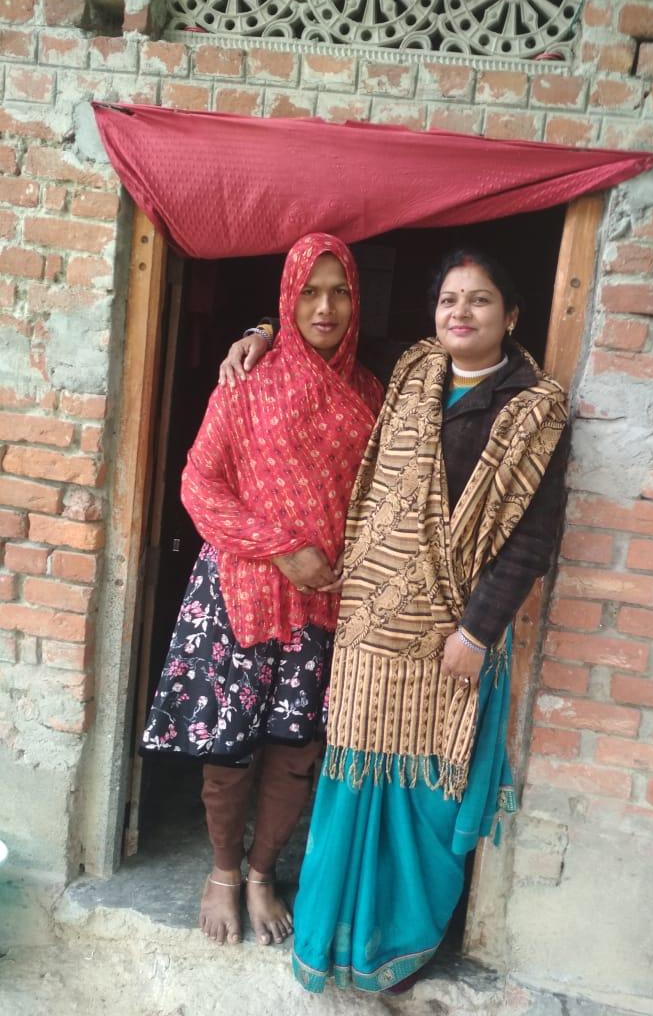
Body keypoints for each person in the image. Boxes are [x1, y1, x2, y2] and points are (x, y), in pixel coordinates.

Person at [221, 248, 568, 992]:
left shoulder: (533, 410)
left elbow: (531, 539)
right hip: (370, 633)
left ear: (512, 315)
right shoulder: (409, 372)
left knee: (426, 799)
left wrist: (477, 631)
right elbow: (323, 336)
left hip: (454, 637)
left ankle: (399, 945)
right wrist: (260, 331)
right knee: (351, 784)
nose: (461, 313)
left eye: (480, 300)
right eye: (448, 300)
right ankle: (334, 940)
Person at [139, 233, 383, 949]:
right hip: (239, 592)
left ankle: (261, 871)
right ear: (287, 299)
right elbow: (198, 483)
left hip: (325, 602)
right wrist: (282, 550)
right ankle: (221, 870)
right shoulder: (246, 379)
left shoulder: (371, 394)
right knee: (229, 745)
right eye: (309, 292)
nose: (325, 307)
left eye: (340, 292)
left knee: (296, 748)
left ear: (357, 301)